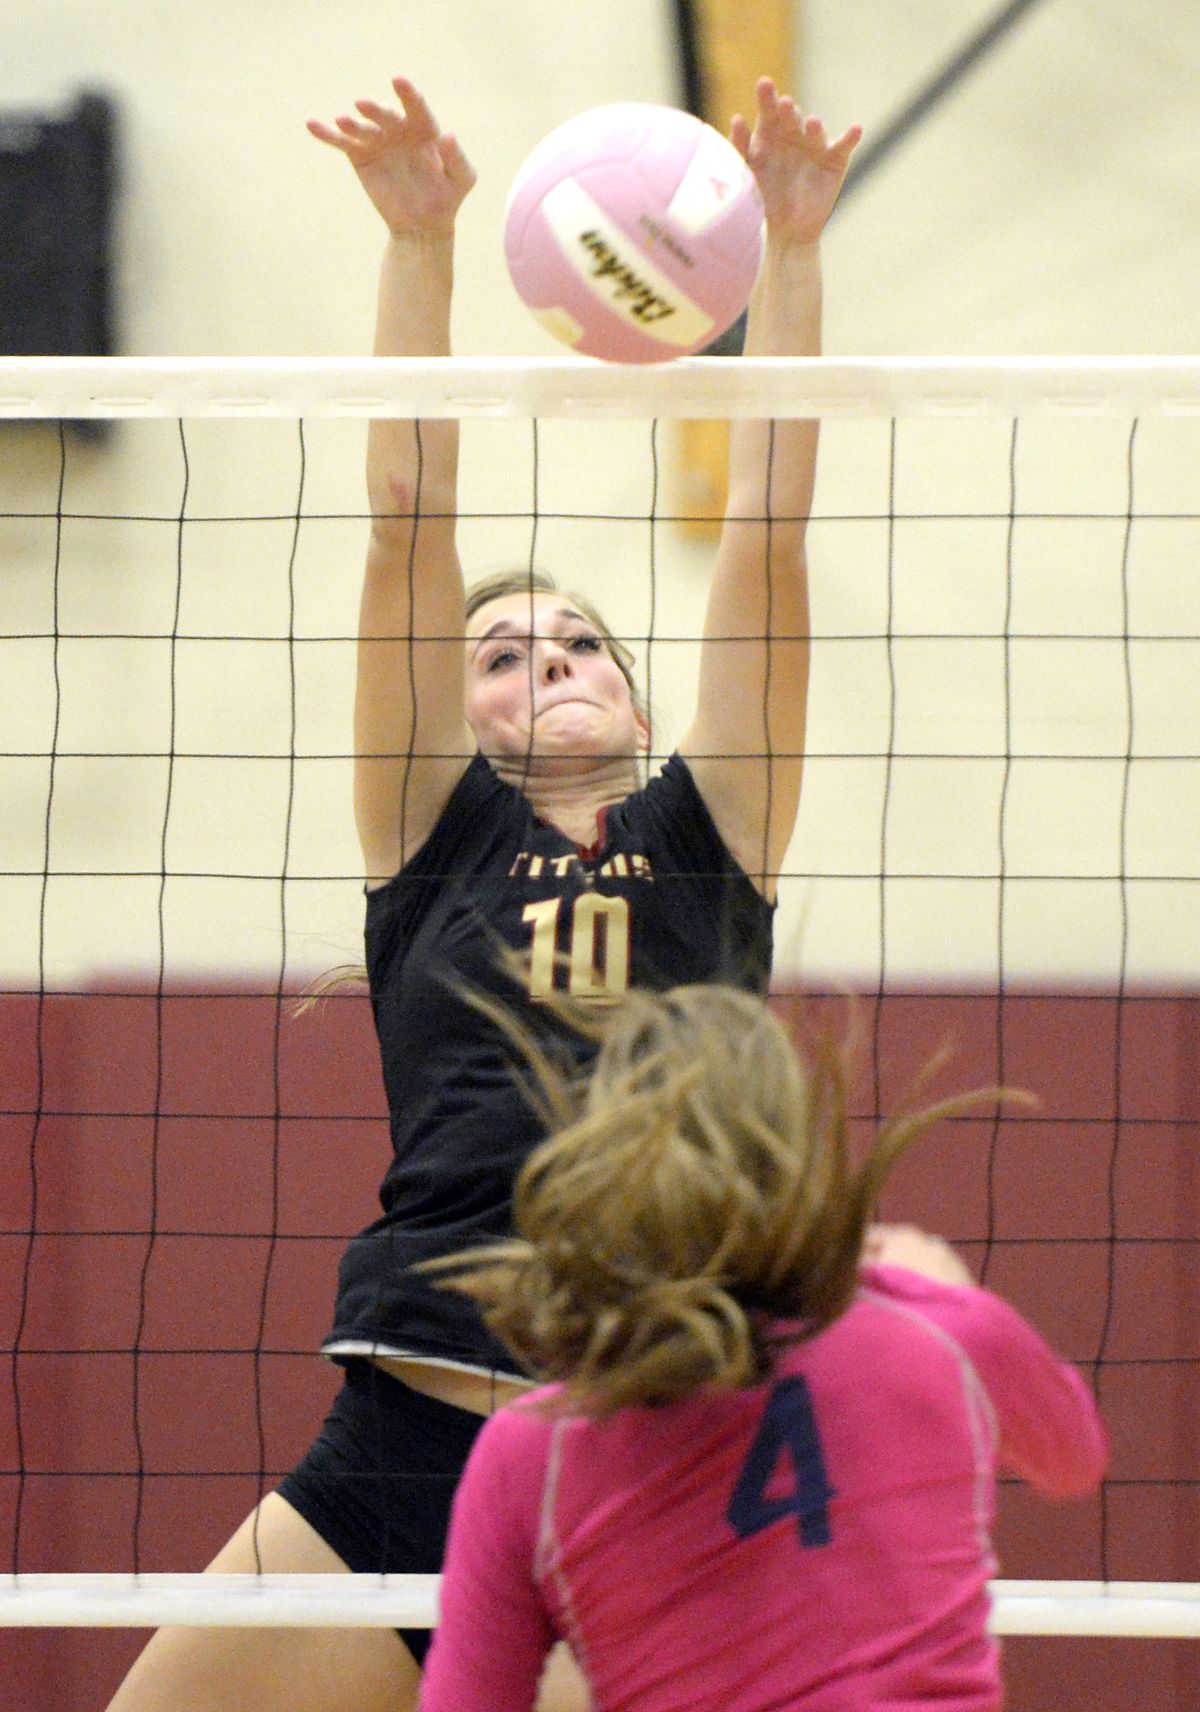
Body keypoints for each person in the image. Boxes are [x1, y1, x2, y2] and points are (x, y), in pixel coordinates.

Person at [104, 72, 861, 1712]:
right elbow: (405, 515)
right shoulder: (426, 829)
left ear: (642, 702)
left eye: (582, 640)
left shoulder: (713, 828)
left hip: (652, 1441)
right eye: (503, 656)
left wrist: (789, 258)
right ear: (468, 717)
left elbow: (773, 535)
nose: (549, 663)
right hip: (407, 1438)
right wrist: (422, 244)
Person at [417, 982, 1109, 1712]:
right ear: (795, 1151)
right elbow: (1074, 1457)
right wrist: (940, 1292)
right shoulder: (942, 1336)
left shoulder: (530, 1452)